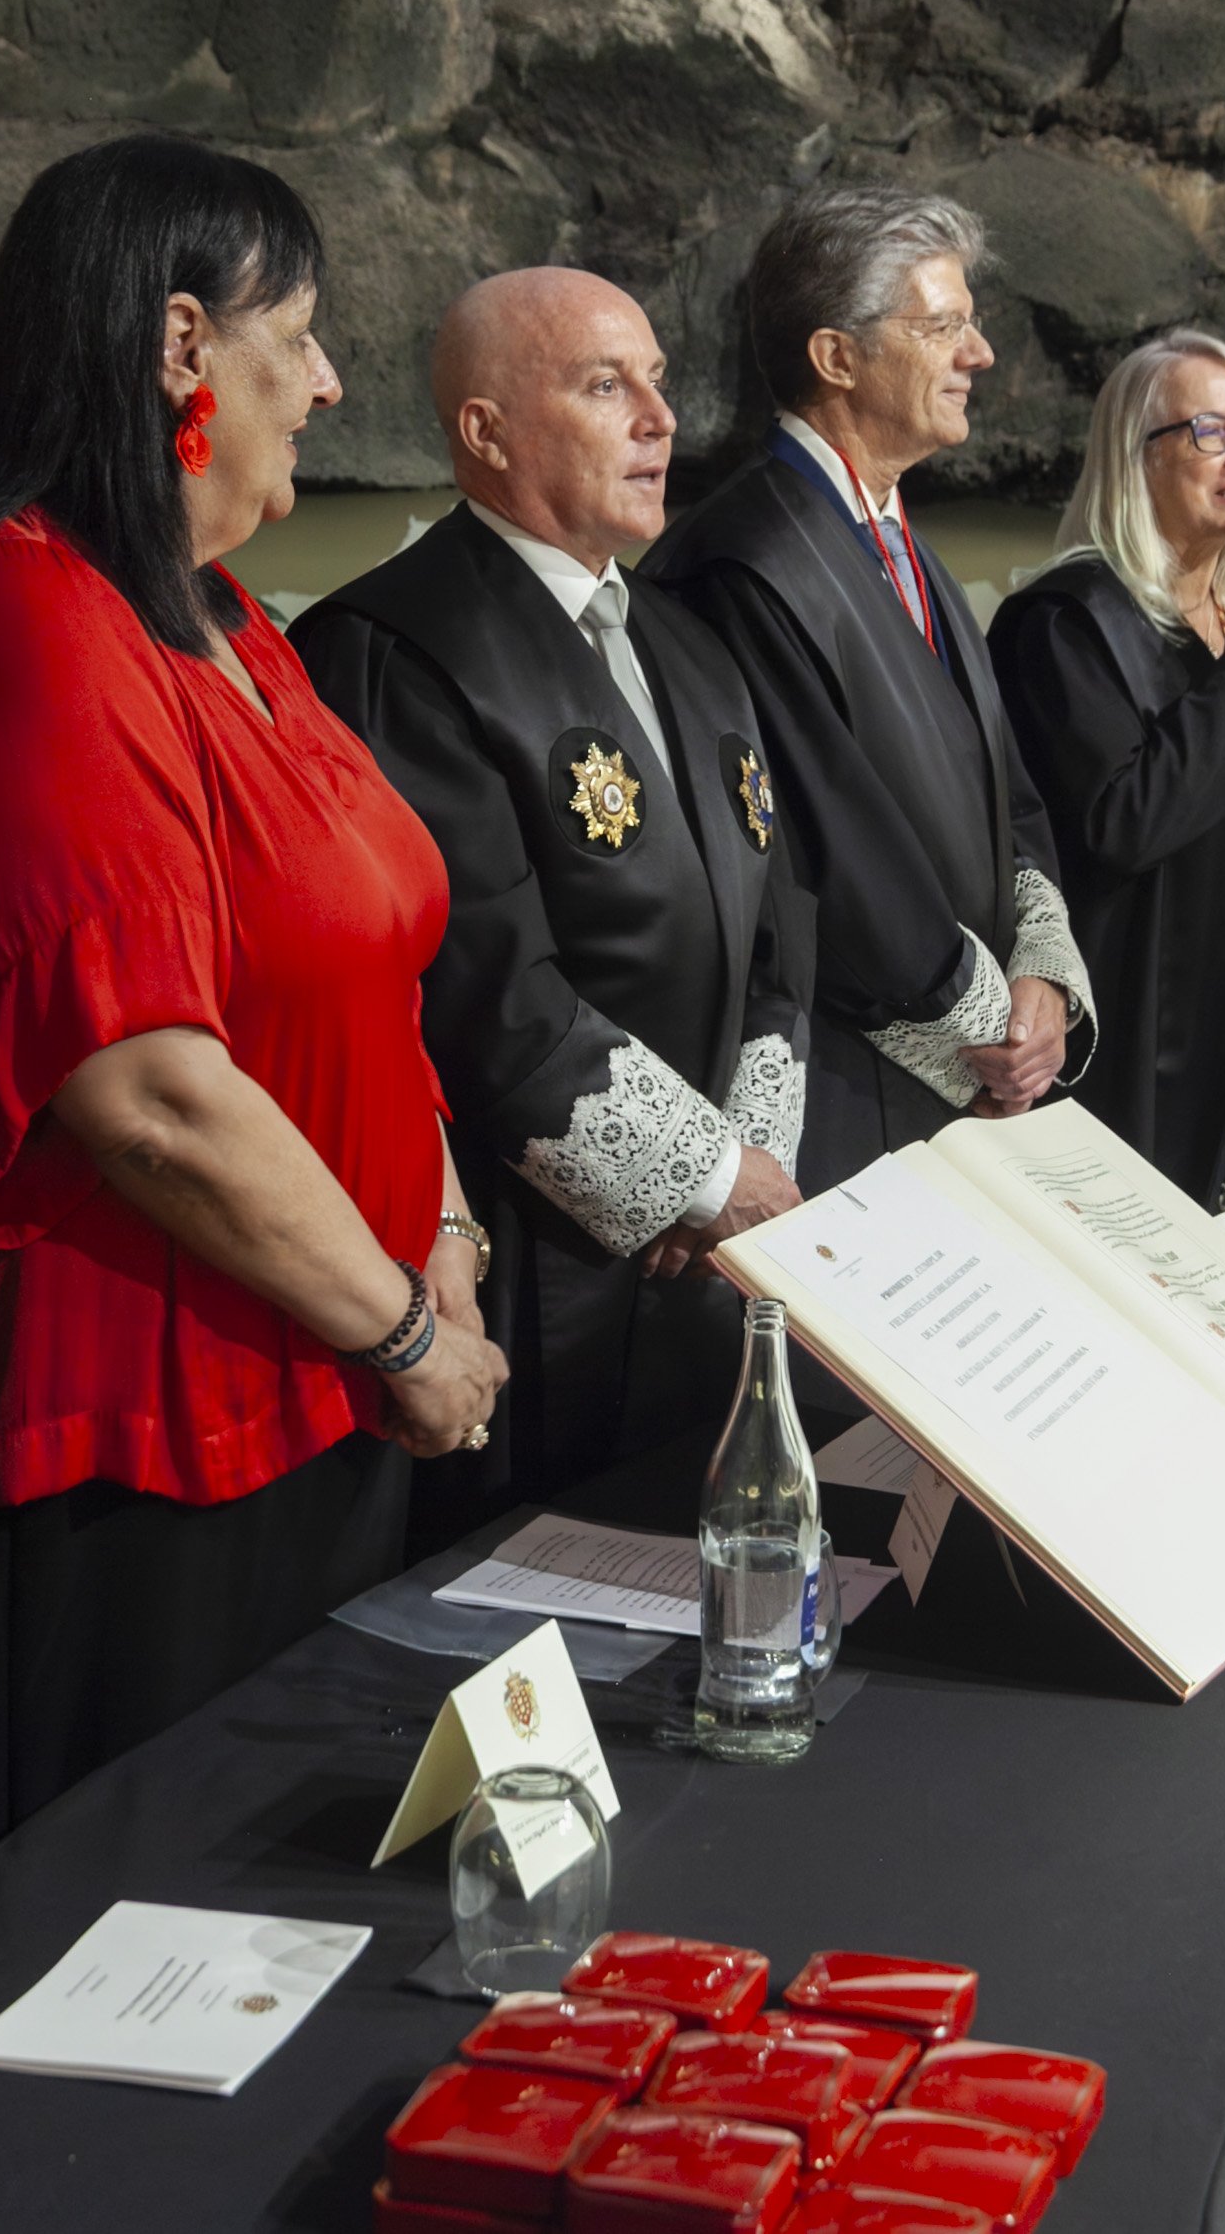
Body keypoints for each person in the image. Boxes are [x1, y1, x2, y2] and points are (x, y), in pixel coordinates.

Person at [0, 135, 505, 1899]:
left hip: (330, 1381)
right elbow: (145, 1088)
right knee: (128, 1962)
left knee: (300, 1933)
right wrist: (404, 1333)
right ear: (182, 342)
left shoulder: (226, 624)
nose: (333, 380)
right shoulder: (7, 617)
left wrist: (441, 1234)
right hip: (142, 1439)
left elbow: (371, 966)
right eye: (306, 332)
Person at [296, 269, 813, 1546]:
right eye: (604, 385)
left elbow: (776, 935)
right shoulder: (401, 645)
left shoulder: (688, 642)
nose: (657, 418)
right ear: (486, 433)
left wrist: (743, 1176)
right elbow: (483, 995)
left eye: (656, 382)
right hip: (530, 1273)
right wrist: (705, 1179)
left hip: (706, 1264)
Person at [645, 187, 1095, 1187]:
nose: (978, 355)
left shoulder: (902, 542)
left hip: (969, 1083)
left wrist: (1044, 978)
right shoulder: (746, 558)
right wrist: (989, 1035)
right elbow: (826, 847)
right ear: (837, 357)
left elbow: (1008, 795)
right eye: (943, 328)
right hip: (851, 1087)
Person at [987, 331, 1225, 1216]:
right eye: (1210, 431)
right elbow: (1123, 824)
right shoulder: (1067, 623)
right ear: (1132, 457)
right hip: (1139, 1047)